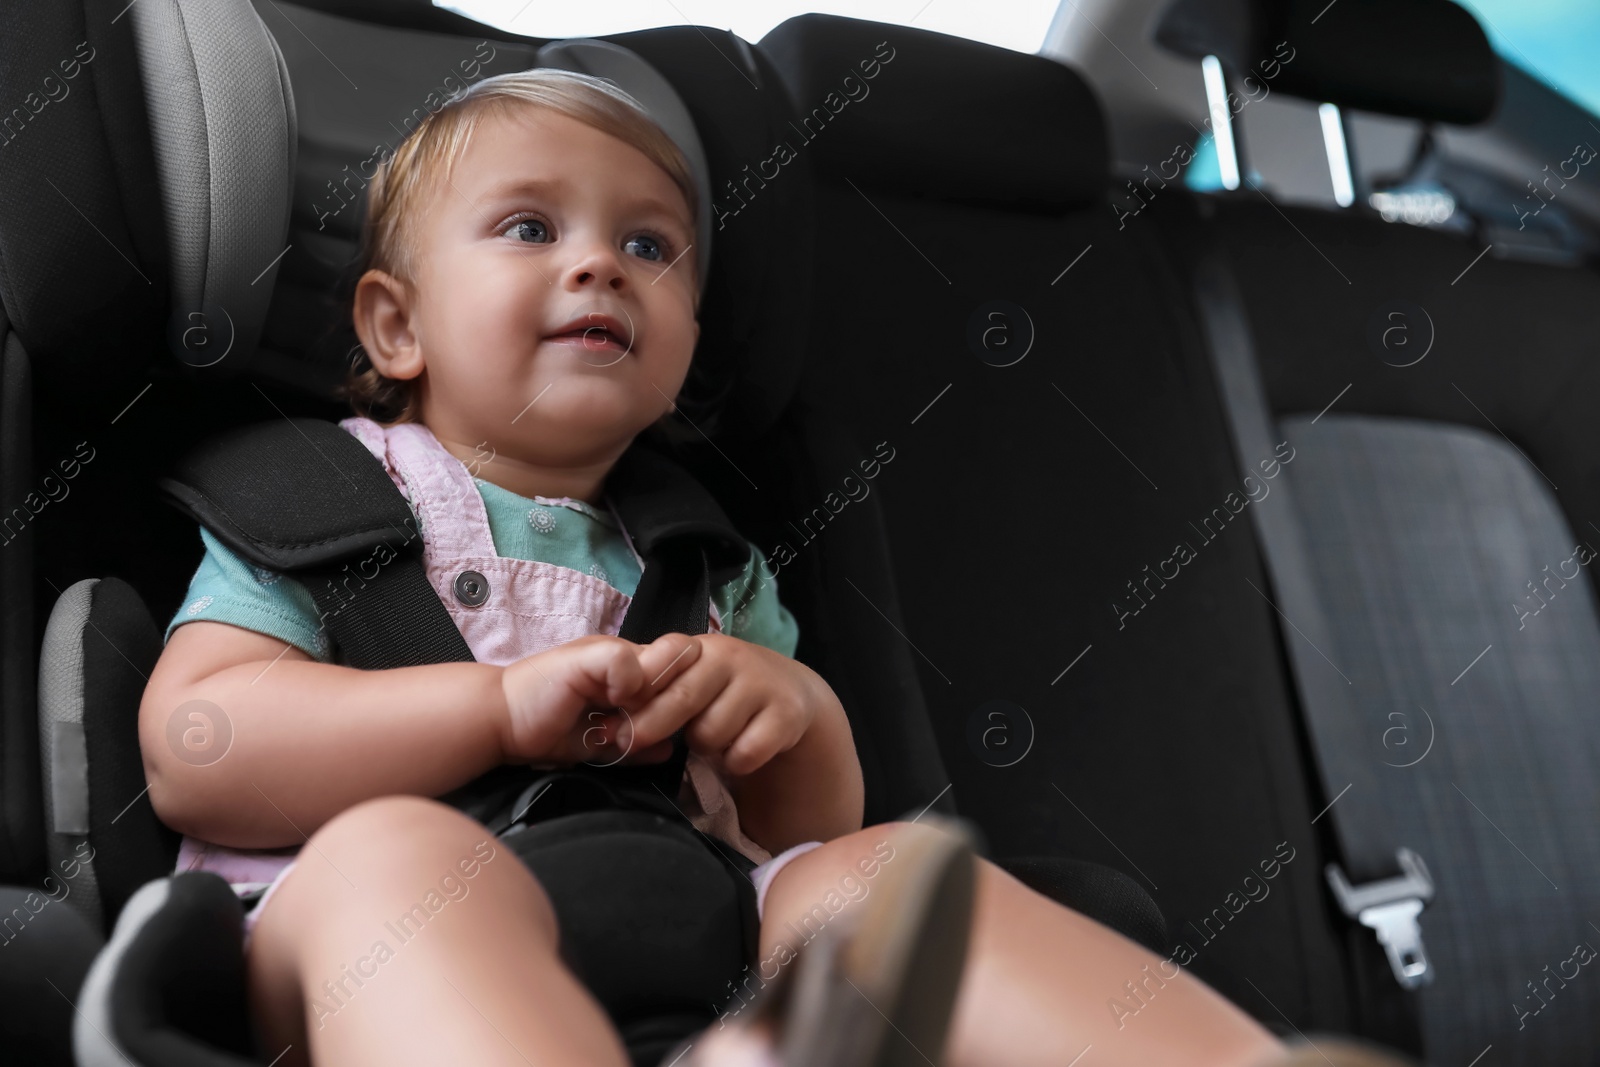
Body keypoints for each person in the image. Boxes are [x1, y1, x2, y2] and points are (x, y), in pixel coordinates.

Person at [140, 67, 1296, 1067]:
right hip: (350, 966)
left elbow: (796, 828)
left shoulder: (706, 564)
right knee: (401, 858)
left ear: (689, 345)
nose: (599, 263)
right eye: (531, 228)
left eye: (647, 245)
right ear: (396, 326)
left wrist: (796, 717)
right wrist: (493, 709)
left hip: (695, 944)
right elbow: (200, 747)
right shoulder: (316, 507)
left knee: (872, 874)